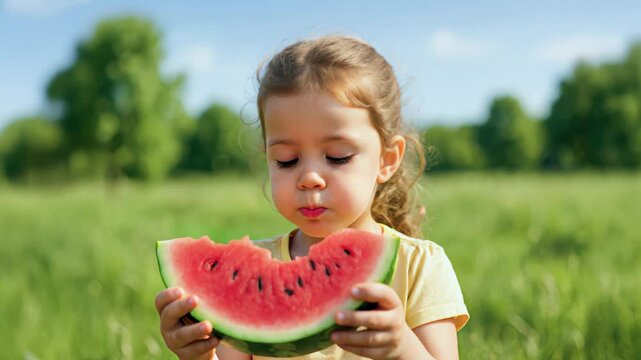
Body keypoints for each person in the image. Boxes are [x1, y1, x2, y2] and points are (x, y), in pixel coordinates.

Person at [154, 34, 469, 360]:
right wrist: (199, 355)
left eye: (337, 156)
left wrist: (402, 348)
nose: (309, 178)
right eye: (286, 160)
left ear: (387, 160)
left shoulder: (420, 267)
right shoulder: (249, 277)